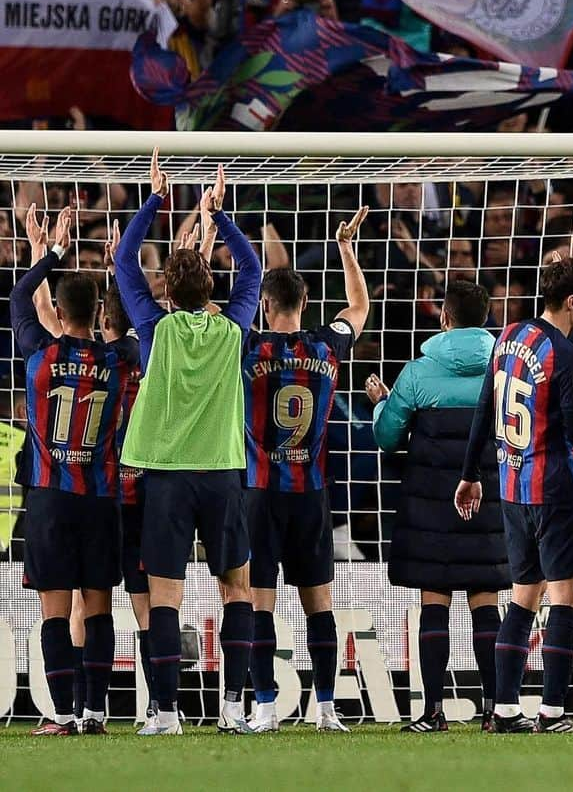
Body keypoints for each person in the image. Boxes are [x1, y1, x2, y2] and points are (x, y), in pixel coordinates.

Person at [113, 152, 261, 736]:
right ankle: (232, 709)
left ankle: (168, 714)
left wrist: (156, 200)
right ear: (212, 288)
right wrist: (219, 216)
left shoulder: (152, 330)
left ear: (166, 292)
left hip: (168, 475)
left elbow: (125, 260)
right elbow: (250, 271)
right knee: (237, 589)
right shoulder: (234, 327)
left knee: (165, 593)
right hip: (224, 473)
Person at [455, 256, 573, 734]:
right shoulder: (567, 356)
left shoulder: (507, 338)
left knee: (523, 597)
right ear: (571, 302)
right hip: (556, 487)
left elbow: (485, 406)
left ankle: (503, 709)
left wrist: (469, 472)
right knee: (566, 595)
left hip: (512, 488)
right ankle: (554, 712)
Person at [242, 209, 371, 734]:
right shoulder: (328, 345)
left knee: (260, 603)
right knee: (319, 601)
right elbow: (359, 305)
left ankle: (267, 707)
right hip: (312, 493)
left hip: (260, 491)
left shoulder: (246, 346)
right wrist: (344, 246)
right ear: (306, 304)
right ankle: (325, 708)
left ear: (265, 306)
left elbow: (201, 310)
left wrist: (203, 236)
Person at [11, 204, 136, 736]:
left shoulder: (38, 352)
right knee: (99, 608)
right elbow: (135, 321)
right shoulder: (120, 359)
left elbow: (21, 297)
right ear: (98, 314)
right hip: (101, 496)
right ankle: (94, 712)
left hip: (48, 496)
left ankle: (60, 714)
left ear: (58, 313)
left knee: (55, 611)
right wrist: (117, 268)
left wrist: (51, 251)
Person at [366, 279, 510, 733]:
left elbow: (387, 438)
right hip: (489, 499)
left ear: (443, 318)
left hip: (431, 504)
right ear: (485, 320)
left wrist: (382, 404)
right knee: (487, 601)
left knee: (435, 601)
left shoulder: (416, 373)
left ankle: (432, 711)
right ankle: (494, 709)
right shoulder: (504, 367)